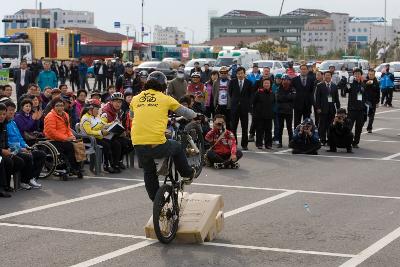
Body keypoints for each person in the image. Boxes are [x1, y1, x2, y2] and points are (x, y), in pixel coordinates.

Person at [130, 71, 197, 201]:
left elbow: (132, 116)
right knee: (177, 147)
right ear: (163, 86)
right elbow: (186, 113)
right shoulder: (165, 98)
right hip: (156, 142)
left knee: (148, 171)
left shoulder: (135, 98)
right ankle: (187, 174)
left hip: (137, 142)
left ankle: (157, 201)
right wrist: (196, 115)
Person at [5, 100, 45, 189]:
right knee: (27, 157)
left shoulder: (12, 122)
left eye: (13, 110)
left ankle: (32, 178)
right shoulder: (10, 121)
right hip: (12, 150)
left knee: (41, 154)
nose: (11, 112)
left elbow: (20, 137)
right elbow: (8, 142)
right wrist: (20, 149)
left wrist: (26, 146)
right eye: (9, 110)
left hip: (21, 146)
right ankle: (24, 180)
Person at [44, 98, 83, 178]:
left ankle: (76, 167)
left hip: (64, 139)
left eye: (61, 105)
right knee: (69, 146)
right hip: (52, 139)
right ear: (53, 107)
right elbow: (51, 132)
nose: (60, 107)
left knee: (78, 145)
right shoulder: (50, 116)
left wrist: (71, 136)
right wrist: (65, 138)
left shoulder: (65, 115)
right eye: (57, 106)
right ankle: (70, 167)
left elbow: (67, 129)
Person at [80, 99, 121, 173]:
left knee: (116, 144)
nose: (98, 111)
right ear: (90, 109)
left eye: (99, 109)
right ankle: (107, 165)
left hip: (97, 137)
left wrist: (113, 123)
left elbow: (103, 124)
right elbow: (88, 132)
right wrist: (100, 132)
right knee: (107, 145)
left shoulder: (96, 116)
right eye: (97, 109)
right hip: (89, 139)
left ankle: (115, 164)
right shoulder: (85, 118)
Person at [101, 92, 133, 170]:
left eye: (120, 102)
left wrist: (123, 131)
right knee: (118, 144)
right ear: (111, 102)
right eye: (115, 101)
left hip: (115, 134)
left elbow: (121, 124)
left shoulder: (120, 112)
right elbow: (102, 126)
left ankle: (119, 160)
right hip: (105, 135)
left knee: (130, 143)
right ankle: (113, 163)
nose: (117, 104)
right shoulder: (105, 111)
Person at [315, 71, 341, 146]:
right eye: (326, 75)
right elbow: (317, 98)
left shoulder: (334, 86)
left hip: (332, 109)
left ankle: (330, 140)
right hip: (322, 109)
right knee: (322, 126)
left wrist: (338, 110)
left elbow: (337, 99)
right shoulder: (319, 85)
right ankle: (322, 140)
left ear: (331, 76)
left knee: (330, 126)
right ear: (324, 76)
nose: (327, 77)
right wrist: (318, 108)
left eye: (329, 75)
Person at [229, 66, 252, 150]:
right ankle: (234, 143)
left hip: (244, 108)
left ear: (244, 73)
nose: (240, 75)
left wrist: (247, 105)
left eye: (241, 73)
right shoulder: (232, 82)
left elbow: (250, 95)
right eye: (238, 73)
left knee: (244, 127)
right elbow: (230, 93)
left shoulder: (248, 83)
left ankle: (244, 144)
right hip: (234, 108)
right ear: (236, 74)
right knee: (233, 127)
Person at [346, 68, 366, 148]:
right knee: (349, 127)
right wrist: (346, 83)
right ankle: (347, 142)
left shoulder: (363, 84)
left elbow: (365, 96)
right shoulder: (351, 83)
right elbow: (346, 90)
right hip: (352, 109)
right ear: (353, 75)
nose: (357, 75)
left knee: (359, 127)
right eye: (356, 74)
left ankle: (355, 142)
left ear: (361, 75)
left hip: (361, 110)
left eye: (359, 74)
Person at [253, 78, 274, 149]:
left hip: (269, 115)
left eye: (268, 83)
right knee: (259, 130)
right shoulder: (258, 92)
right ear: (262, 84)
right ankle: (259, 144)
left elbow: (274, 103)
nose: (267, 84)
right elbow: (254, 102)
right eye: (265, 83)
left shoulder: (272, 93)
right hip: (260, 115)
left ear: (270, 84)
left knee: (268, 130)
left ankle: (268, 144)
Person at [277, 75, 295, 148]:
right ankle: (280, 142)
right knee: (280, 127)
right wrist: (287, 96)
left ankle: (291, 142)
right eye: (284, 80)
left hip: (289, 111)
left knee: (289, 127)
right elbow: (278, 98)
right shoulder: (279, 88)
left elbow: (293, 97)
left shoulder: (292, 89)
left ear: (290, 81)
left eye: (287, 80)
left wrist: (285, 97)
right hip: (280, 111)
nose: (285, 81)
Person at [0, 103, 12, 197]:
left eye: (4, 114)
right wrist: (2, 151)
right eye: (0, 114)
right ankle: (1, 188)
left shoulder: (4, 124)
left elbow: (5, 139)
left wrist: (7, 148)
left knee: (14, 161)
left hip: (2, 151)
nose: (2, 116)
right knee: (1, 161)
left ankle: (7, 185)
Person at [364, 69, 380, 133]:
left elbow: (378, 92)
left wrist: (378, 101)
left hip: (373, 101)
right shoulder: (364, 80)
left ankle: (369, 128)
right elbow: (361, 89)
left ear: (374, 74)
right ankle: (360, 126)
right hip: (365, 101)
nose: (371, 76)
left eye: (372, 74)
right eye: (369, 74)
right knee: (363, 116)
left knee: (371, 116)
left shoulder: (376, 82)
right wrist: (366, 84)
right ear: (368, 74)